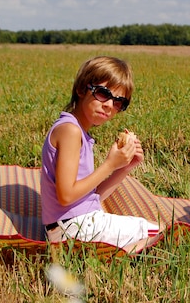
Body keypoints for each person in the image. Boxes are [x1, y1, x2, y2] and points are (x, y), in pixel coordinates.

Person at [40, 56, 160, 248]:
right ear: (81, 89)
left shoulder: (78, 132)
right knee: (161, 233)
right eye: (103, 93)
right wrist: (109, 165)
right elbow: (66, 196)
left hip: (73, 224)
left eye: (119, 102)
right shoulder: (70, 131)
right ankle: (114, 258)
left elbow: (92, 197)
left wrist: (125, 167)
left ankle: (110, 254)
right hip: (73, 227)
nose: (109, 105)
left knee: (152, 230)